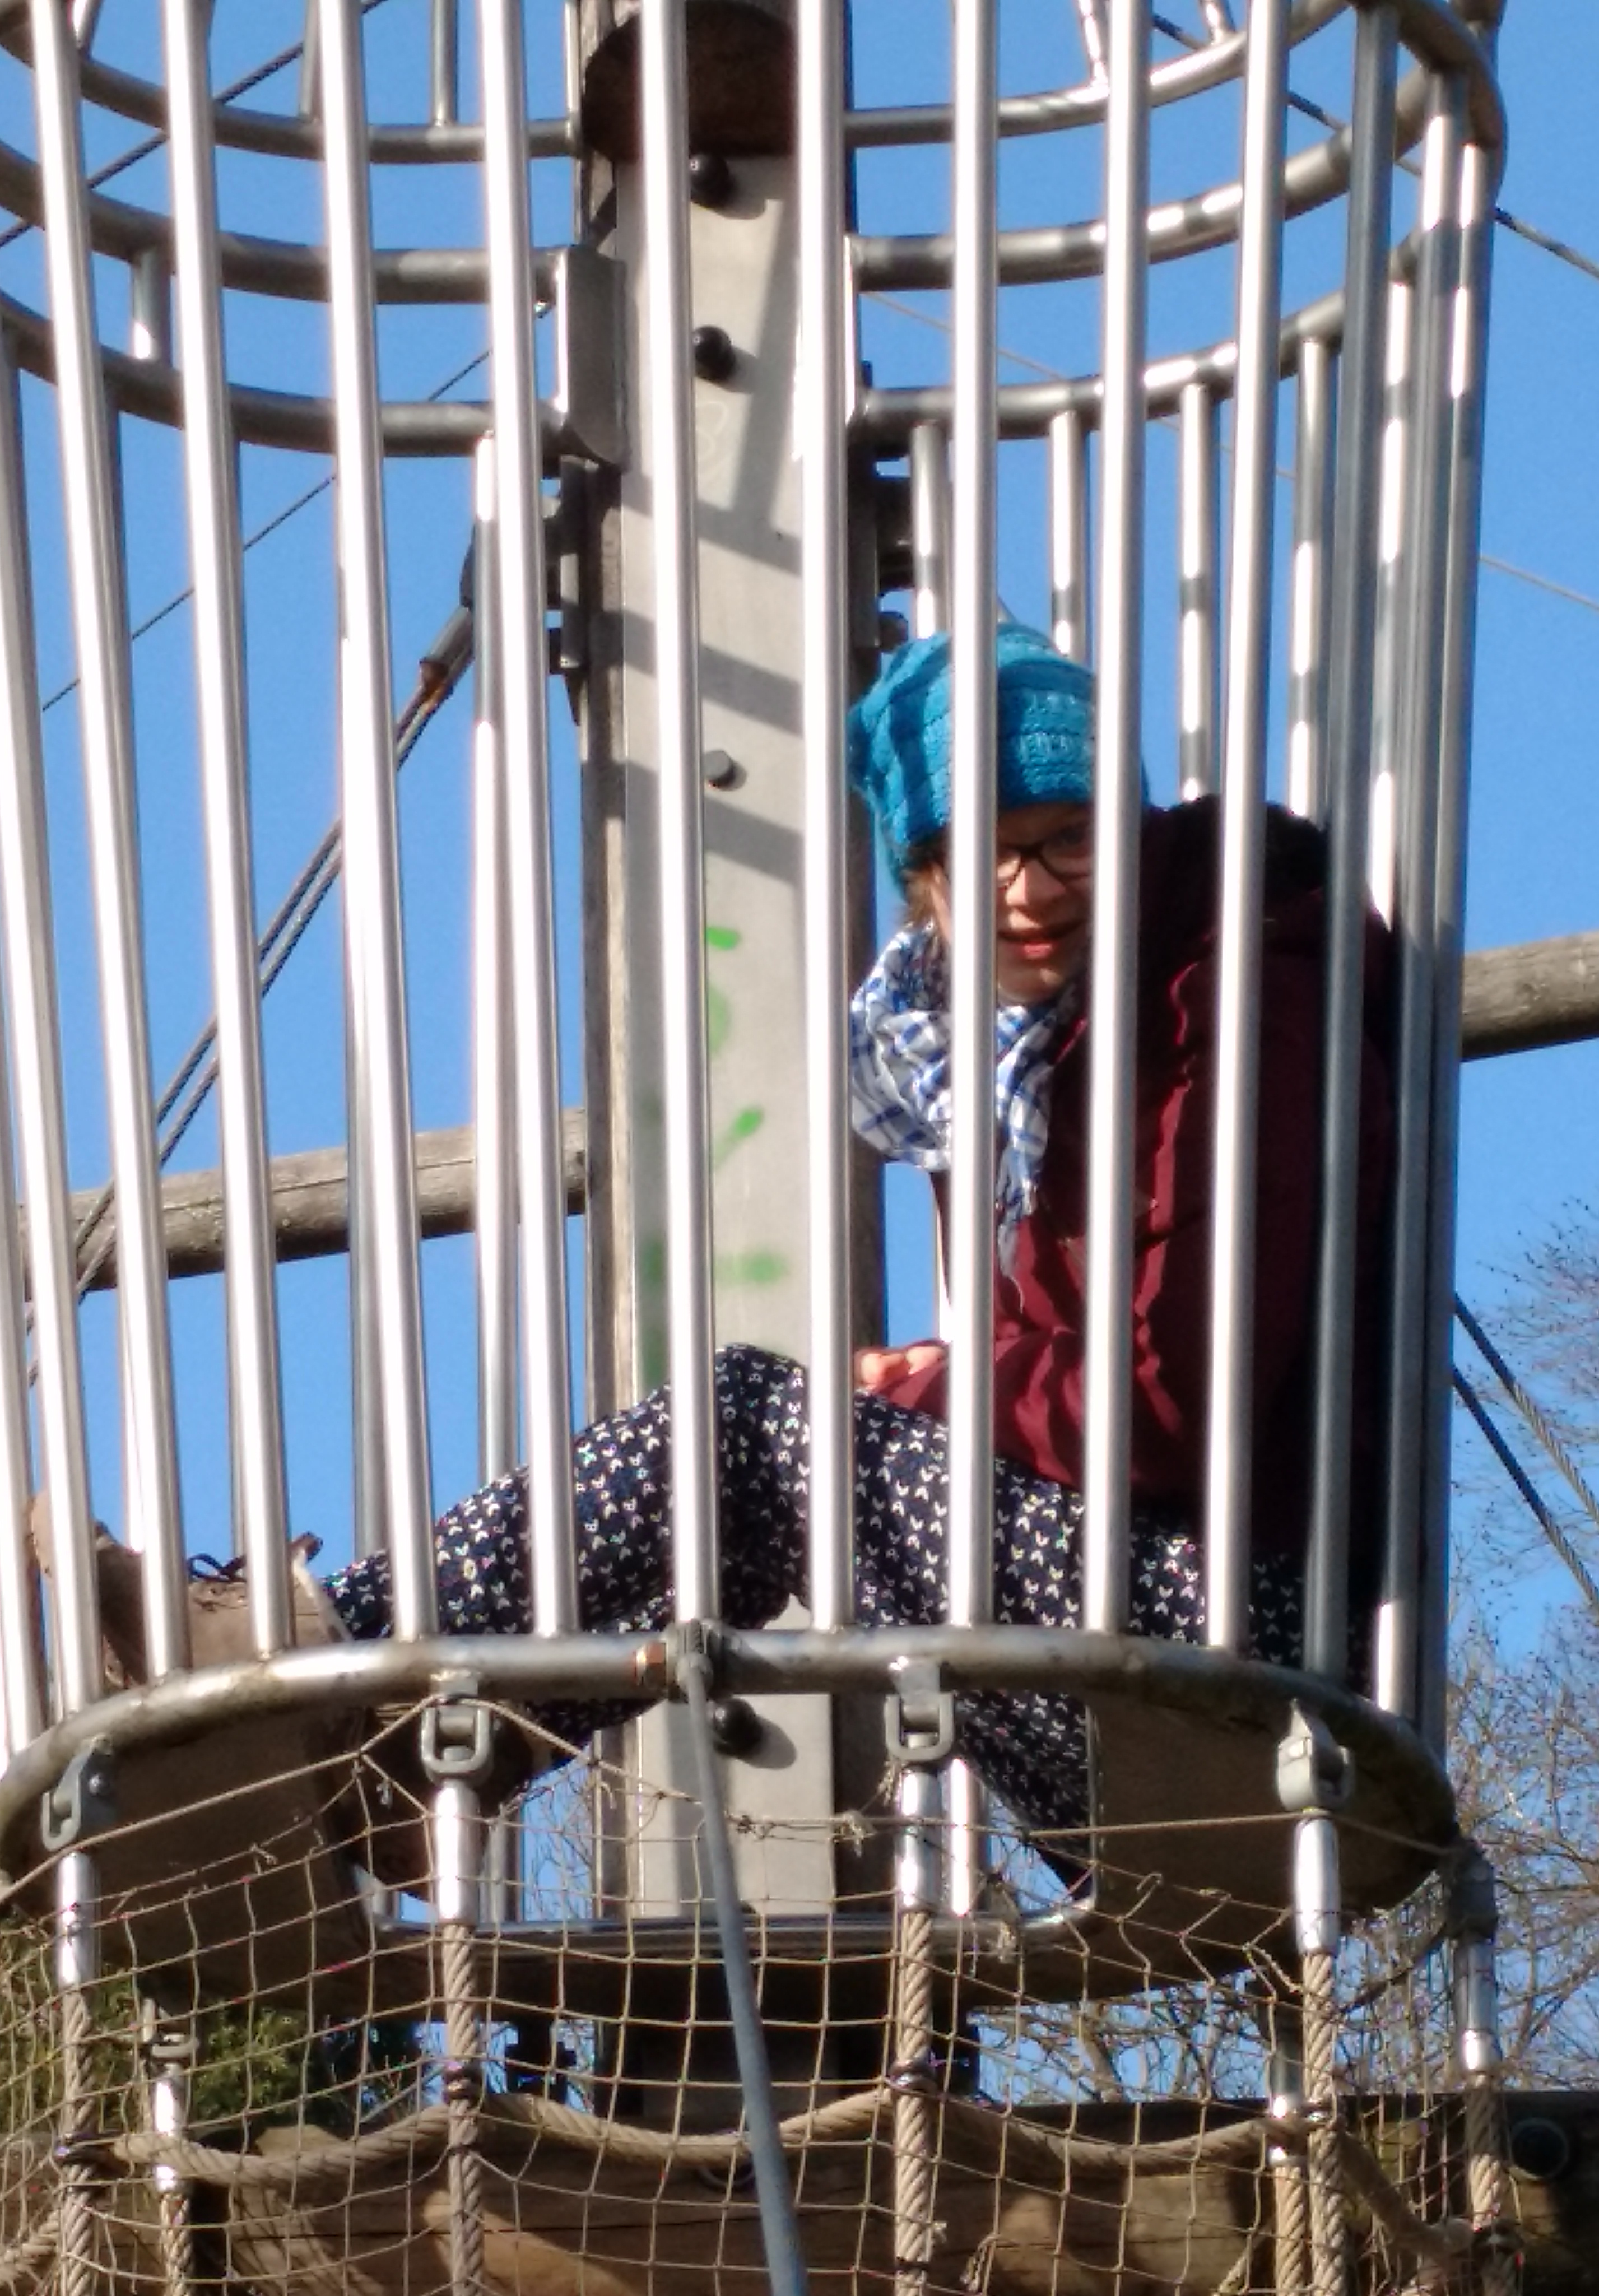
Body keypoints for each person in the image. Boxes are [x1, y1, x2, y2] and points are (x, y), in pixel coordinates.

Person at [327, 625, 1393, 1836]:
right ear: (923, 879)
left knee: (750, 1429)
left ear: (1130, 827)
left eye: (1066, 840)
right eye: (974, 856)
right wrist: (952, 1386)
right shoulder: (1010, 1051)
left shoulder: (1235, 1004)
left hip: (1241, 1657)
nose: (1029, 891)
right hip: (1135, 1621)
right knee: (748, 1475)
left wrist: (927, 1388)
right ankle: (384, 1771)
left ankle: (338, 1654)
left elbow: (1162, 1403)